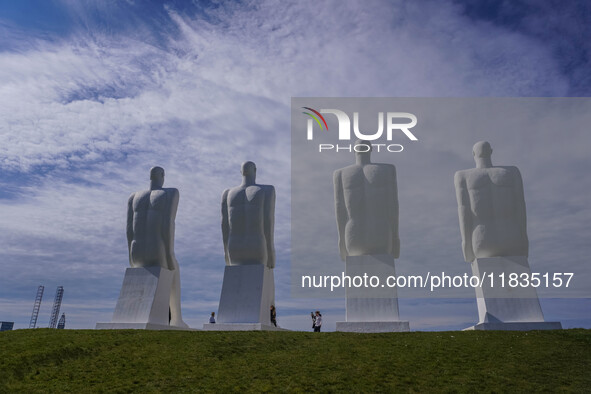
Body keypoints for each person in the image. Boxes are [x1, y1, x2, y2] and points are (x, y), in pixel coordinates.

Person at [127, 166, 188, 328]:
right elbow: (168, 224)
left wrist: (130, 256)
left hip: (136, 251)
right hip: (157, 248)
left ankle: (176, 319)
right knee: (175, 269)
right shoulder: (170, 193)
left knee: (172, 267)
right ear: (162, 175)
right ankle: (177, 318)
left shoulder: (133, 197)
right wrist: (168, 253)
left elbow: (129, 229)